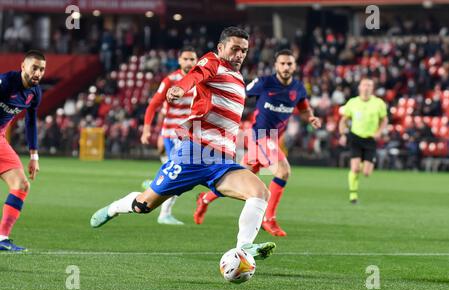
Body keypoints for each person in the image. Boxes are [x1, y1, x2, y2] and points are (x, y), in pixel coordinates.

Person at [90, 27, 276, 260]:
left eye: (244, 51)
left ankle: (244, 247)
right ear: (221, 48)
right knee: (144, 205)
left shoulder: (238, 78)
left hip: (221, 161)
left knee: (260, 192)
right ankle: (115, 207)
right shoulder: (212, 61)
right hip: (193, 154)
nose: (240, 54)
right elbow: (196, 75)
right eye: (235, 48)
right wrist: (180, 87)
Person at [193, 49, 321, 237]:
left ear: (294, 66)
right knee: (283, 171)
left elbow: (303, 108)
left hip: (271, 140)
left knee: (235, 180)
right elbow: (239, 94)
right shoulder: (264, 83)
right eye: (282, 63)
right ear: (276, 65)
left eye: (289, 64)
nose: (286, 67)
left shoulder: (298, 88)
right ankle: (269, 219)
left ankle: (204, 199)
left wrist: (310, 118)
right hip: (260, 136)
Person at [140, 47, 198, 225]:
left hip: (190, 132)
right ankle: (164, 213)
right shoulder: (170, 80)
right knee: (180, 173)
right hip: (174, 132)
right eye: (186, 59)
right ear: (179, 61)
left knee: (179, 171)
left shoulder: (200, 80)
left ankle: (156, 182)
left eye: (192, 59)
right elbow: (153, 106)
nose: (189, 62)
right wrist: (147, 129)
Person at [0, 50, 46, 251]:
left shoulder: (34, 93)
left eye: (42, 69)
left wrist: (34, 155)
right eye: (34, 67)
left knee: (21, 184)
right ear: (23, 66)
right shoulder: (6, 82)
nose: (38, 73)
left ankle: (2, 238)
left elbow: (30, 122)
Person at [338, 78, 388, 204]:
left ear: (372, 88)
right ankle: (353, 196)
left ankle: (362, 164)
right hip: (356, 137)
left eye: (369, 85)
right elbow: (344, 120)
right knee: (354, 169)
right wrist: (343, 134)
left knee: (366, 173)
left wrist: (379, 132)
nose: (366, 88)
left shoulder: (379, 103)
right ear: (359, 87)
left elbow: (384, 119)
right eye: (364, 85)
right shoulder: (353, 102)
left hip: (370, 139)